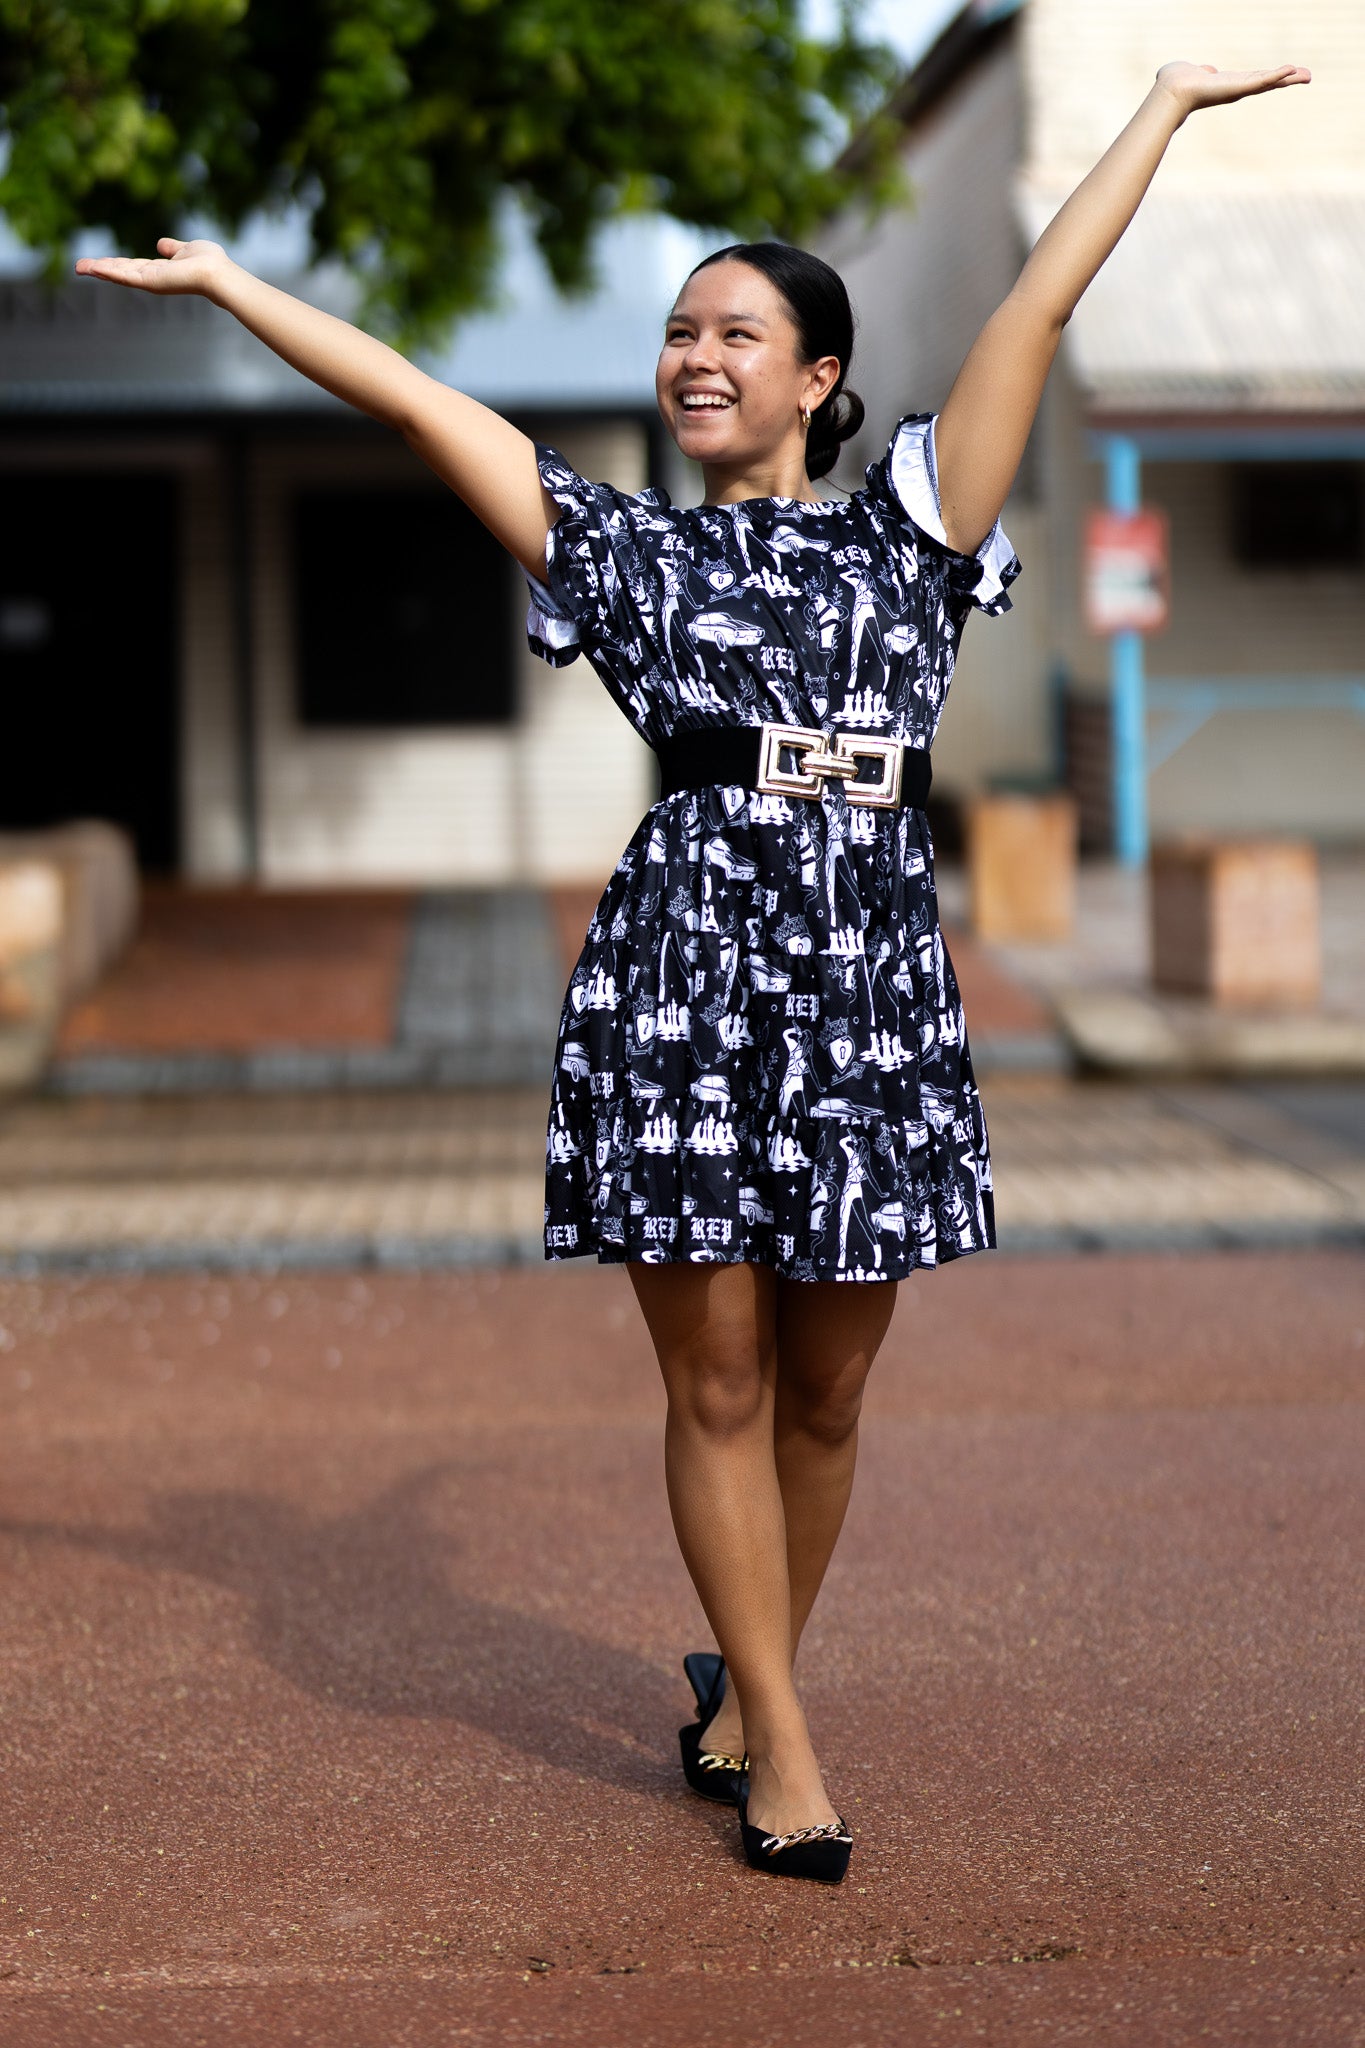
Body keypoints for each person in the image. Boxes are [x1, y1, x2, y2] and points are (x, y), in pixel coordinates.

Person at [77, 54, 1308, 1885]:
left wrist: (1163, 102)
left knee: (827, 1388)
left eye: (735, 329)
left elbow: (1040, 292)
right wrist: (238, 291)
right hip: (682, 968)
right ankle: (781, 1744)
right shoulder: (626, 552)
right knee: (718, 1380)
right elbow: (422, 401)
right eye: (675, 332)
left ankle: (745, 1679)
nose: (693, 355)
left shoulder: (918, 531)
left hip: (870, 974)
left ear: (818, 377)